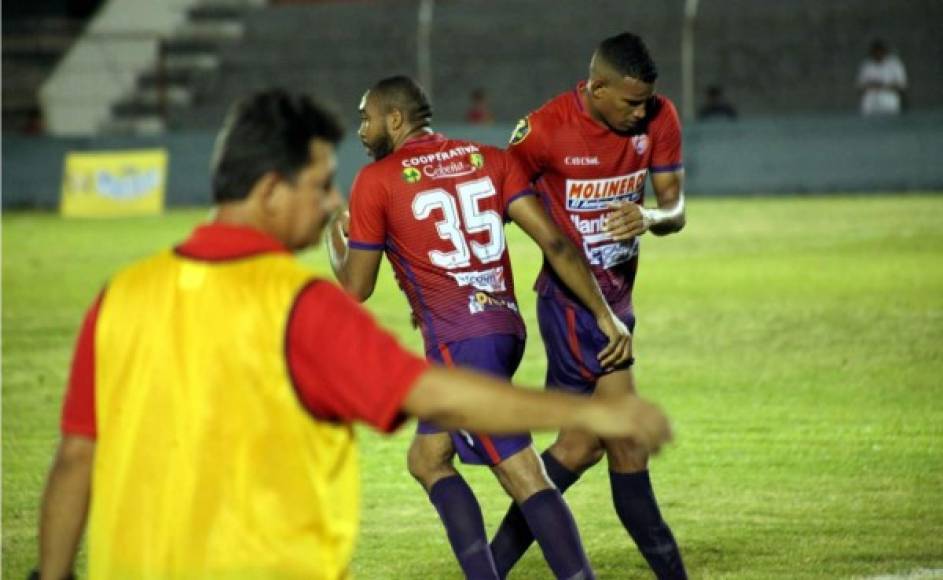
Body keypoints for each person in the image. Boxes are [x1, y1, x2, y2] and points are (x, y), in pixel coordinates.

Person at [35, 89, 673, 580]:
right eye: (318, 185)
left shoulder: (120, 297)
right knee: (453, 459)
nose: (331, 200)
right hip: (278, 559)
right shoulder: (301, 310)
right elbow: (434, 393)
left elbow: (75, 460)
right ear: (269, 190)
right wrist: (597, 415)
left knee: (448, 461)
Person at [328, 75, 635, 579]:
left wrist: (334, 241)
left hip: (460, 347)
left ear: (395, 119)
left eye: (366, 117)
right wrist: (604, 315)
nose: (360, 129)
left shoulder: (376, 181)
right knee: (428, 458)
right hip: (503, 331)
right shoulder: (491, 160)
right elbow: (555, 244)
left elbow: (356, 288)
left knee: (524, 477)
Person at [488, 32, 689, 579]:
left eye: (646, 101)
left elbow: (676, 211)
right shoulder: (545, 129)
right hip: (574, 306)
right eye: (629, 102)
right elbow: (495, 205)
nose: (640, 112)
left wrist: (648, 217)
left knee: (584, 448)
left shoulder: (659, 118)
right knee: (620, 443)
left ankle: (489, 567)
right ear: (596, 87)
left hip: (618, 301)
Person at [857, 39, 908, 116]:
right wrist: (873, 85)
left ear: (884, 52)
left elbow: (902, 85)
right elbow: (860, 86)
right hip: (870, 101)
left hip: (889, 99)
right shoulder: (866, 64)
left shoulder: (894, 63)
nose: (878, 54)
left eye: (880, 52)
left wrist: (884, 85)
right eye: (875, 52)